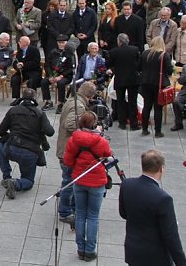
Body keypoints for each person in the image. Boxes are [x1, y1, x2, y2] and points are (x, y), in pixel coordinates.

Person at [118, 150, 186, 266]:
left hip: (133, 251)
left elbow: (123, 213)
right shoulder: (163, 199)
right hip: (155, 257)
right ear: (161, 168)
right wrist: (182, 263)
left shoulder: (127, 184)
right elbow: (171, 236)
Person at [63, 111, 113, 262]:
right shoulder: (101, 141)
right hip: (97, 182)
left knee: (80, 214)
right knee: (92, 216)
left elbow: (68, 162)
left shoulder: (74, 140)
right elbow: (109, 157)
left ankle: (80, 248)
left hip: (79, 180)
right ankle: (90, 250)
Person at [0, 89, 54, 198]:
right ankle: (16, 183)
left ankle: (6, 176)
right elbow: (50, 132)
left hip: (11, 149)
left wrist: (11, 136)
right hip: (30, 153)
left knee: (0, 144)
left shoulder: (13, 110)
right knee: (28, 180)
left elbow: (0, 131)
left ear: (22, 97)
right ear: (35, 98)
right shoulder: (40, 113)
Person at [55, 81, 97, 227]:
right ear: (90, 95)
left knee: (69, 180)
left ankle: (69, 208)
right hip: (68, 151)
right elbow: (70, 124)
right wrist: (88, 131)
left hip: (65, 149)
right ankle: (65, 212)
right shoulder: (78, 106)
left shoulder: (71, 101)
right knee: (69, 182)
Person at [139, 36, 173, 137]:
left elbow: (139, 67)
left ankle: (144, 129)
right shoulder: (164, 55)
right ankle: (158, 131)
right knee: (158, 108)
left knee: (147, 106)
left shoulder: (145, 53)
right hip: (159, 84)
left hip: (145, 82)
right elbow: (169, 70)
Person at [107, 33, 141, 130]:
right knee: (132, 101)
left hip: (120, 79)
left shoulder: (114, 52)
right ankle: (133, 124)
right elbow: (139, 64)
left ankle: (122, 122)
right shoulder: (135, 50)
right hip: (133, 79)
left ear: (119, 42)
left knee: (120, 101)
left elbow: (109, 64)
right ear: (128, 40)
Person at [43, 34, 75, 113]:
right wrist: (50, 75)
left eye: (63, 42)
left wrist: (61, 76)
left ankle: (61, 103)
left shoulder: (70, 53)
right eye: (59, 42)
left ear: (66, 43)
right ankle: (48, 101)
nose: (61, 44)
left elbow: (71, 68)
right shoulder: (53, 52)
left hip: (66, 75)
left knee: (61, 83)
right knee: (43, 82)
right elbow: (47, 65)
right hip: (53, 74)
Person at [11, 35, 41, 105]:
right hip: (23, 71)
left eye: (20, 42)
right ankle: (17, 98)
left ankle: (31, 99)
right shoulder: (20, 51)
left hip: (33, 71)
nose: (19, 43)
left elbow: (36, 62)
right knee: (15, 79)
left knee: (31, 81)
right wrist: (17, 66)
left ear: (25, 43)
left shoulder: (34, 50)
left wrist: (24, 64)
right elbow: (15, 62)